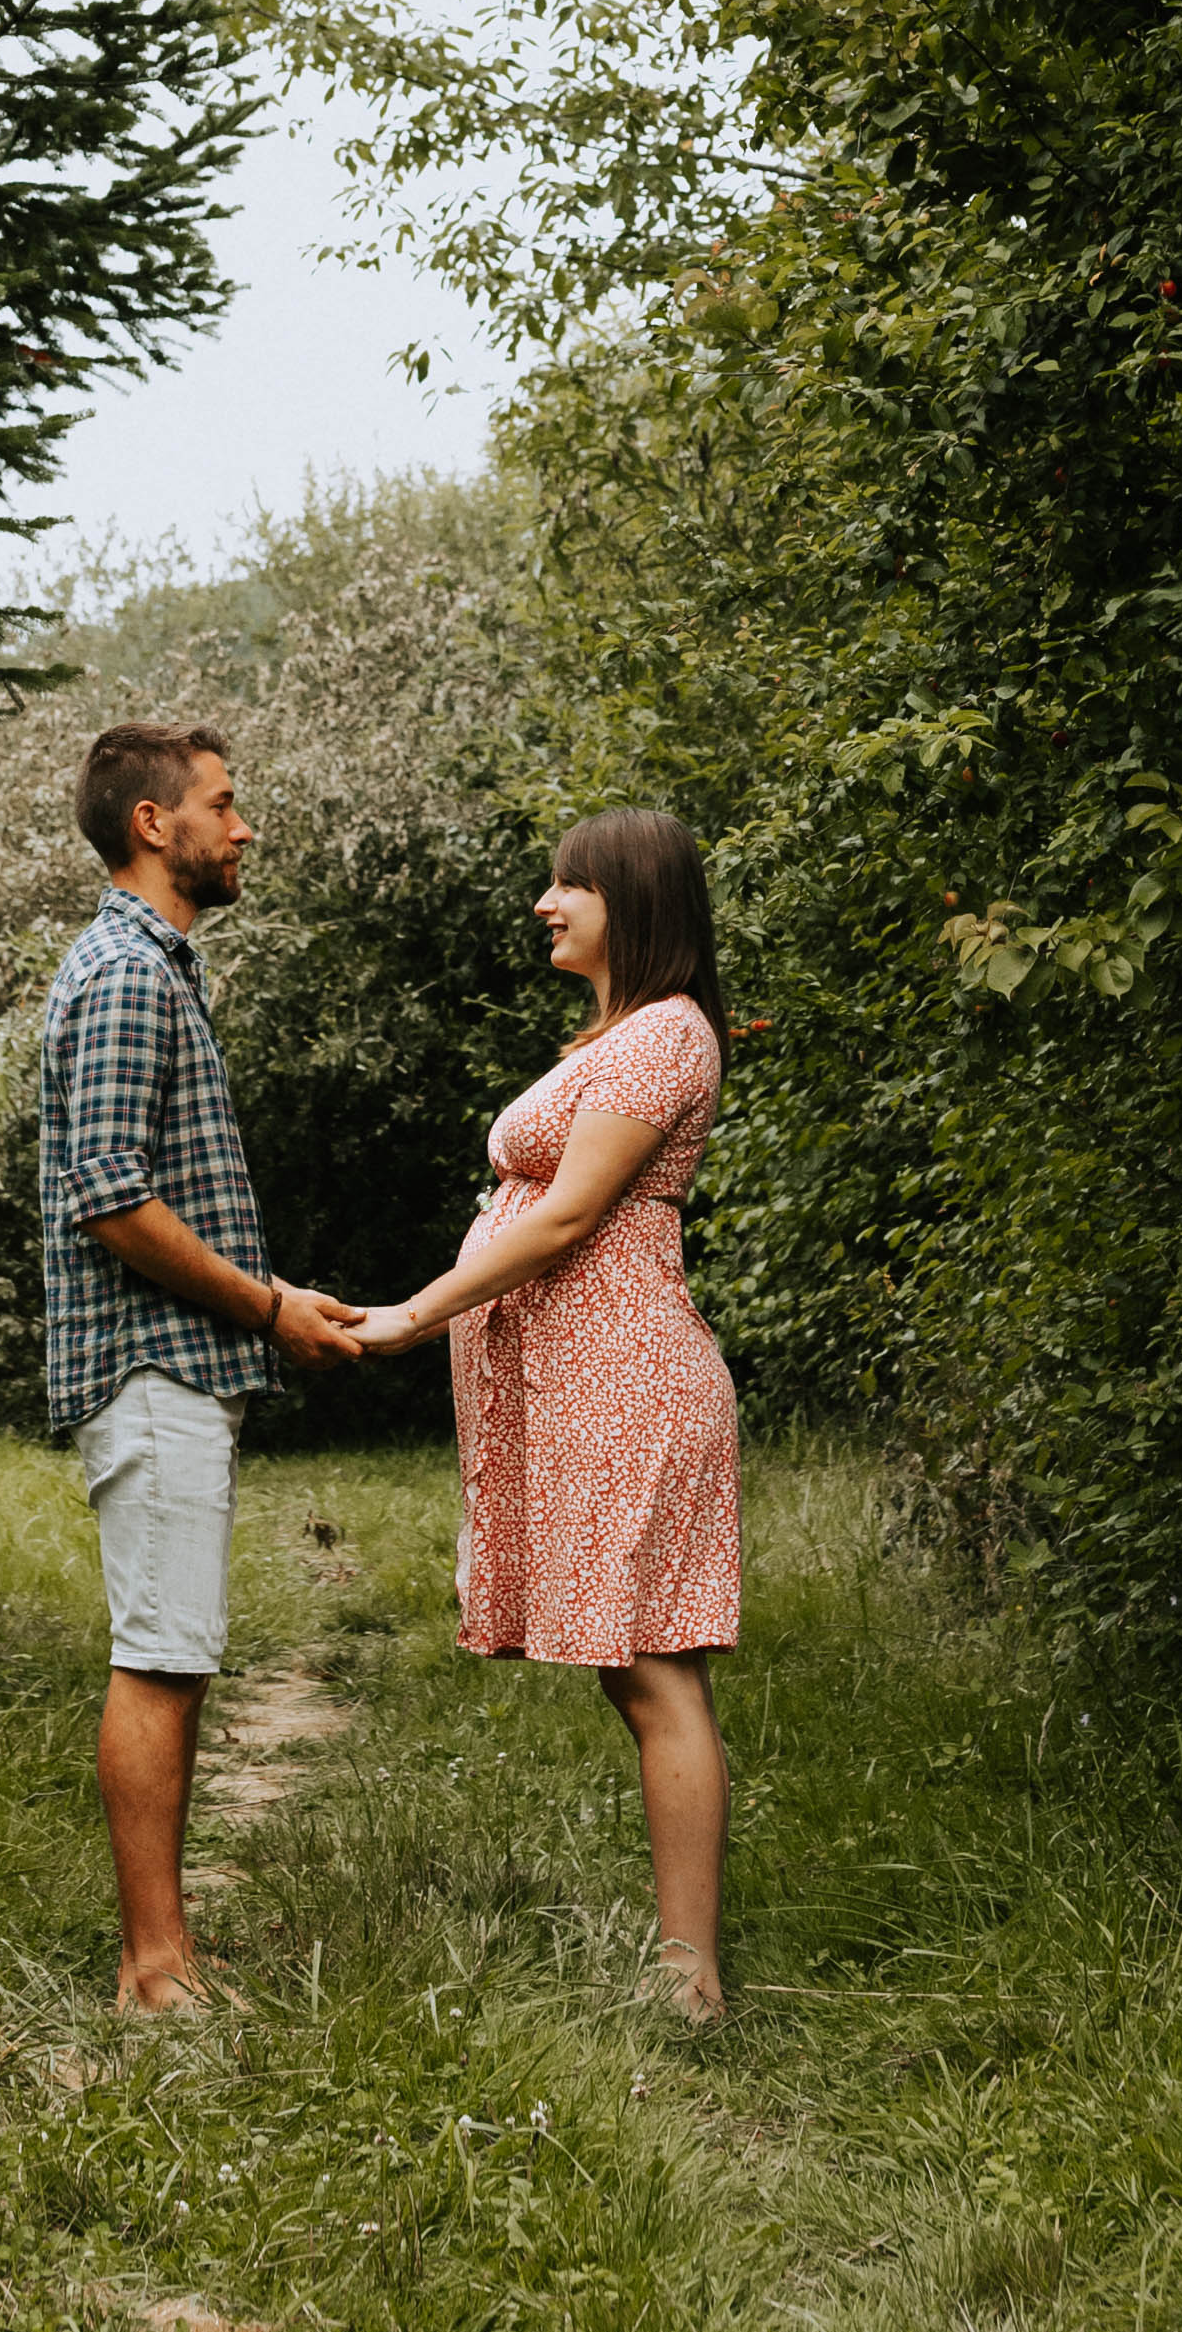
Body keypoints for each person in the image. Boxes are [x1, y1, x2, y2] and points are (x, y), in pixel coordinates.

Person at [356, 806, 740, 2019]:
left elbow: (570, 1217)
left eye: (569, 882)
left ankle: (691, 1977)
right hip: (587, 1385)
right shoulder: (614, 1036)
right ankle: (687, 1966)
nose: (545, 901)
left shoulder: (665, 1034)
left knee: (654, 1671)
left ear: (633, 895)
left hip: (629, 1379)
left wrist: (414, 1312)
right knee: (638, 1670)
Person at [38, 717, 362, 2011]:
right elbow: (112, 1199)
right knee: (160, 1653)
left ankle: (159, 1946)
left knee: (175, 1649)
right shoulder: (123, 971)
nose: (246, 825)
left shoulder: (154, 967)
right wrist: (269, 1307)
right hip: (150, 1363)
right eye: (224, 804)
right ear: (151, 825)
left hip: (175, 1366)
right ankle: (153, 1967)